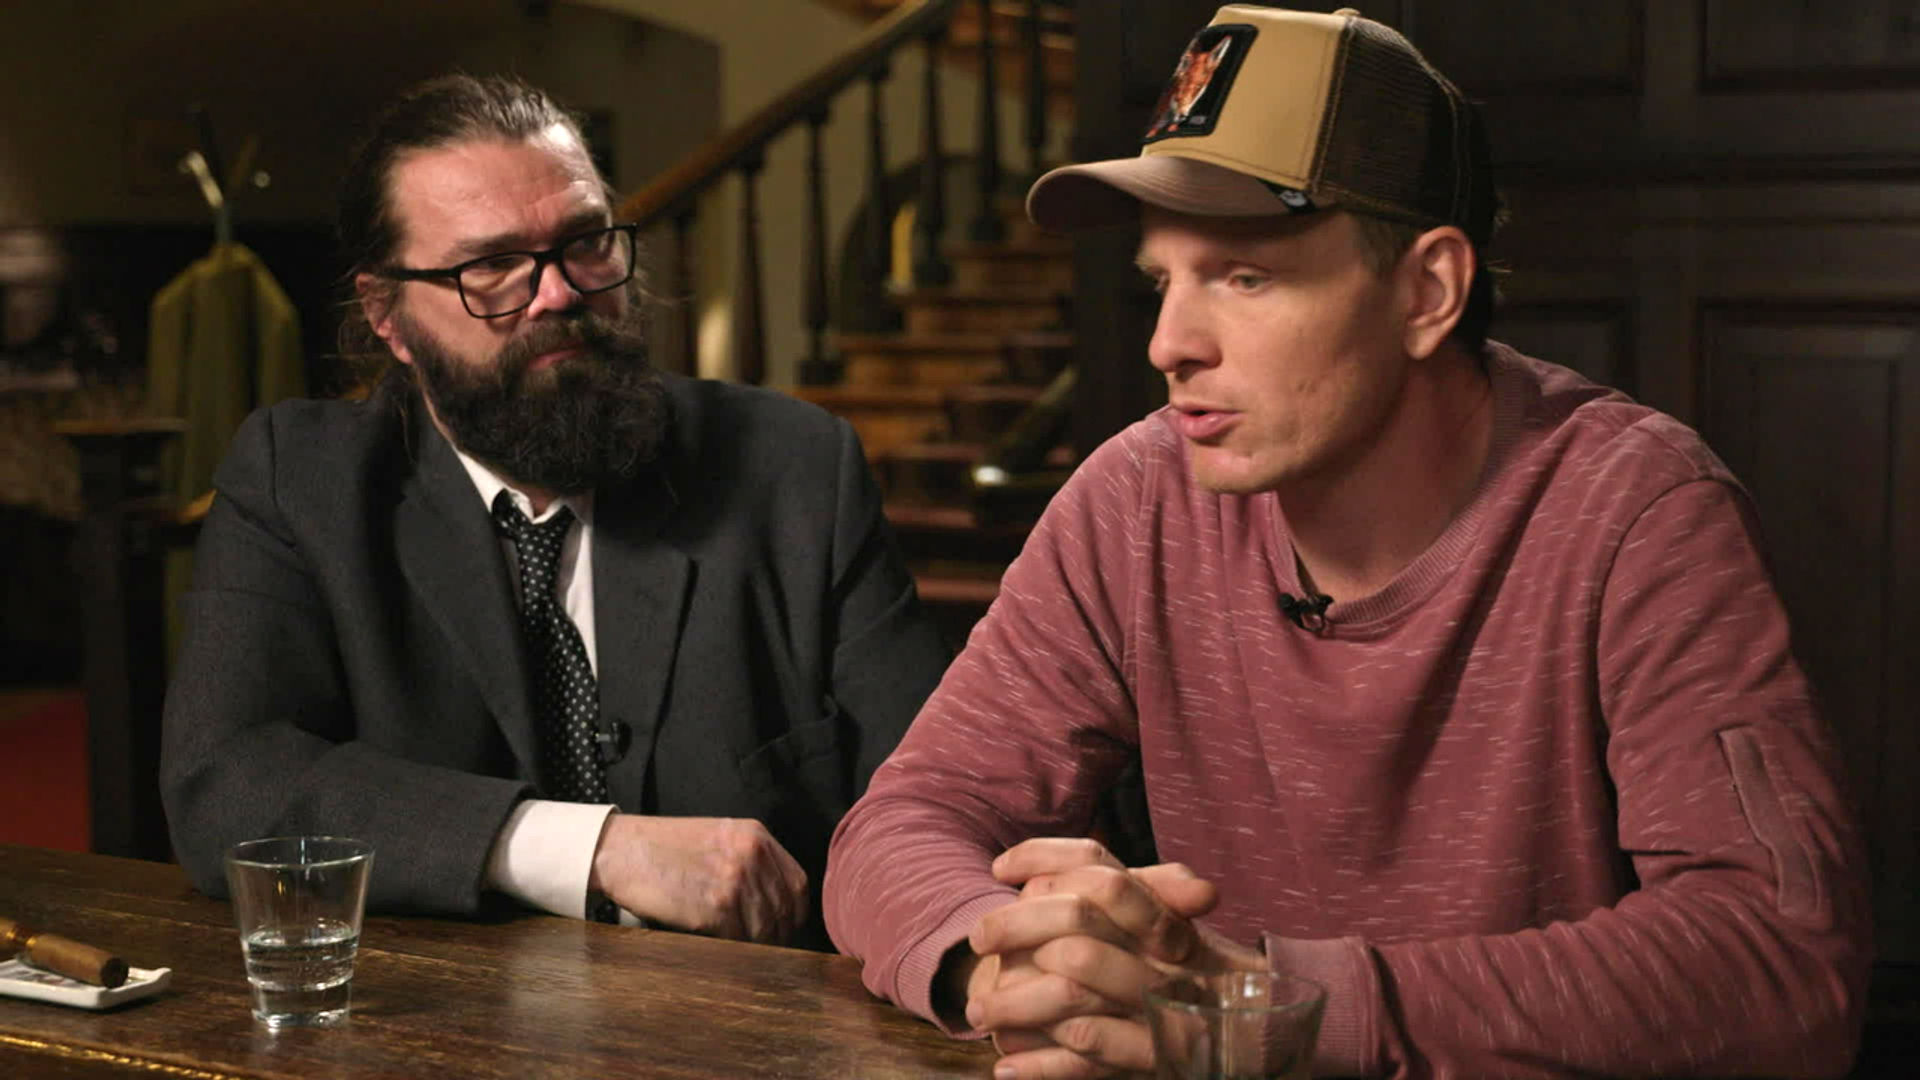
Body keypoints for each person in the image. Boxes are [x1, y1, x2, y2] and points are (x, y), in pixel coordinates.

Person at [824, 6, 1870, 1077]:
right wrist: (1003, 963)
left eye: (1244, 276)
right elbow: (904, 821)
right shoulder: (1137, 498)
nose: (1169, 344)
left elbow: (1780, 962)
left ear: (1427, 292)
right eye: (1162, 280)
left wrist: (1274, 1007)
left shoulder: (1636, 508)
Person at [160, 74, 949, 951]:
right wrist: (585, 848)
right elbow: (226, 784)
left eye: (586, 243)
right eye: (491, 267)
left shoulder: (796, 468)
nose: (561, 293)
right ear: (387, 315)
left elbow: (941, 793)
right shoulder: (301, 481)